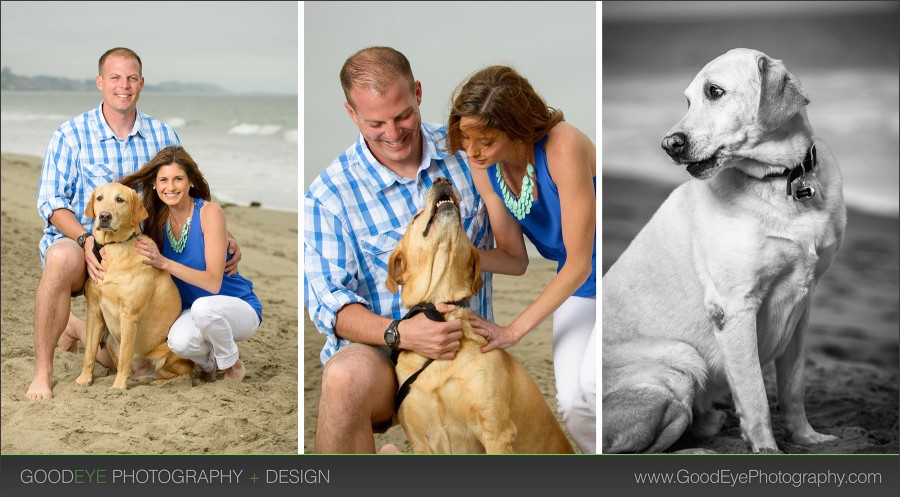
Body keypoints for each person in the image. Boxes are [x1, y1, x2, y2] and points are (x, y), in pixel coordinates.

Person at [304, 46, 493, 453]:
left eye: (403, 115)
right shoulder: (328, 196)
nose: (393, 133)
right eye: (375, 122)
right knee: (343, 376)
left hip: (467, 351)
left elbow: (530, 202)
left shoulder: (468, 151)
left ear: (418, 93)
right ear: (352, 114)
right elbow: (329, 305)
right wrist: (401, 333)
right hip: (386, 359)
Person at [26, 47, 241, 400]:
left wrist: (222, 233)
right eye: (114, 77)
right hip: (80, 244)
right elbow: (50, 204)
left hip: (133, 250)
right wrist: (84, 241)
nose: (122, 86)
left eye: (130, 78)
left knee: (117, 356)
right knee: (61, 259)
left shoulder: (161, 134)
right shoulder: (70, 135)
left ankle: (79, 329)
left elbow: (187, 187)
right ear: (100, 82)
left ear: (141, 84)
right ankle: (42, 373)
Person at [446, 65, 597, 453]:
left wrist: (512, 331)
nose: (473, 150)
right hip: (579, 282)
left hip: (621, 266)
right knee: (574, 403)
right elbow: (515, 259)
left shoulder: (565, 146)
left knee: (596, 384)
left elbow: (580, 260)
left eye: (486, 140)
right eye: (466, 136)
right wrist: (459, 256)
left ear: (517, 125)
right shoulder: (485, 166)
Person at [119, 146, 261, 381]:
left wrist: (164, 263)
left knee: (204, 308)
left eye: (178, 179)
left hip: (236, 307)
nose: (170, 187)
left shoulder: (209, 213)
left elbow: (213, 284)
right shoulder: (156, 220)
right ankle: (208, 366)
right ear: (154, 184)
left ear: (191, 182)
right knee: (178, 342)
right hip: (190, 311)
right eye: (163, 180)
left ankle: (233, 366)